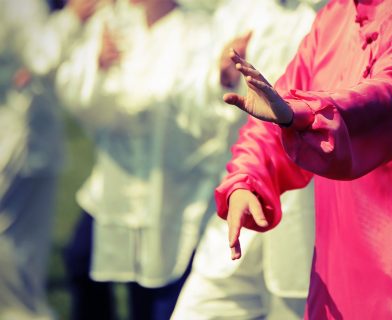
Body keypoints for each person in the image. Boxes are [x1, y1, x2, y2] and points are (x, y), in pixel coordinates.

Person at [215, 0, 392, 319]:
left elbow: (391, 100)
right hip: (338, 283)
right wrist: (247, 178)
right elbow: (276, 111)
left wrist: (304, 114)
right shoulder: (333, 18)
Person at [56, 0, 228, 318]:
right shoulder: (114, 24)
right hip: (114, 180)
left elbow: (197, 105)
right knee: (82, 261)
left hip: (170, 182)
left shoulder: (198, 32)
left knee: (156, 285)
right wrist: (97, 64)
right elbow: (80, 100)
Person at [171, 0, 319, 319]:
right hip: (237, 210)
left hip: (309, 226)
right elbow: (186, 108)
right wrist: (220, 79)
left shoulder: (331, 17)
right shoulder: (238, 11)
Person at [0, 0, 98, 319]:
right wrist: (72, 18)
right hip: (21, 138)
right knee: (17, 243)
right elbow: (40, 57)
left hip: (22, 132)